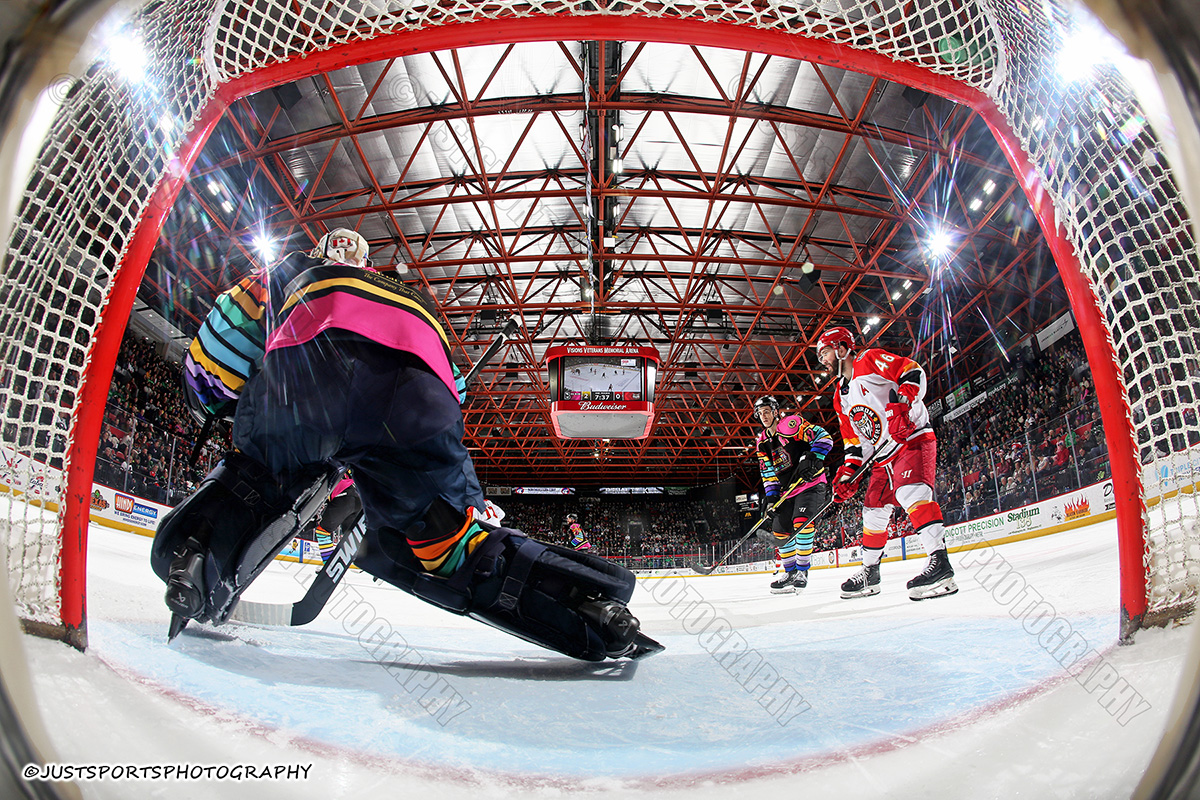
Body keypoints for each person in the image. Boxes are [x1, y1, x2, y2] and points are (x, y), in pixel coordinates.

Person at [153, 228, 656, 661]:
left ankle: (196, 559)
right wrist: (463, 497)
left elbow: (218, 351)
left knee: (263, 477)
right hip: (419, 398)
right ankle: (585, 604)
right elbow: (450, 398)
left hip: (309, 379)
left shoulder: (286, 271)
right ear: (370, 266)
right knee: (444, 535)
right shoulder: (407, 296)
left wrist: (220, 407)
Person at [815, 326, 958, 600]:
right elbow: (857, 444)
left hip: (910, 438)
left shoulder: (868, 360)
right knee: (872, 512)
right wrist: (848, 474)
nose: (823, 359)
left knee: (910, 493)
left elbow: (912, 371)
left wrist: (902, 404)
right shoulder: (839, 397)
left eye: (826, 352)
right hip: (882, 457)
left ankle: (941, 564)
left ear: (842, 348)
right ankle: (870, 573)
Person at [751, 395, 833, 593]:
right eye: (760, 414)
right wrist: (771, 499)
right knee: (780, 530)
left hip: (810, 484)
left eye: (767, 411)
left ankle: (802, 572)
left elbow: (824, 437)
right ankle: (789, 573)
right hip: (787, 491)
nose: (764, 416)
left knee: (802, 523)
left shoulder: (790, 424)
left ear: (776, 412)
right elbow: (768, 474)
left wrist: (812, 457)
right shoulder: (762, 442)